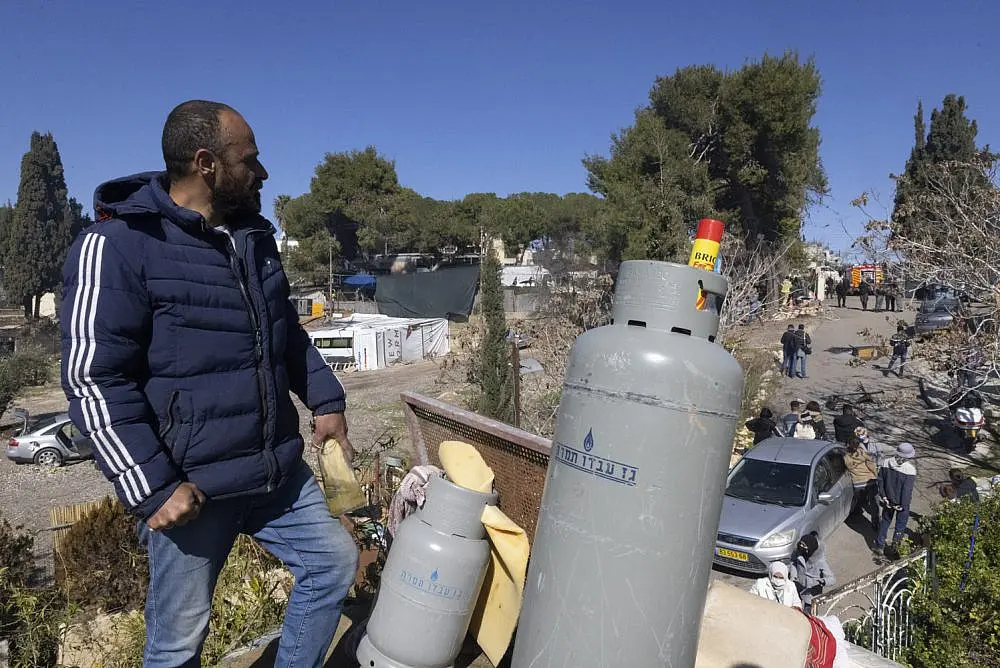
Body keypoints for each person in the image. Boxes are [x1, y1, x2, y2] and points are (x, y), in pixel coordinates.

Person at [59, 100, 360, 666]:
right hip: (191, 489)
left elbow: (284, 332)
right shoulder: (117, 246)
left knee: (332, 566)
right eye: (251, 160)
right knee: (177, 646)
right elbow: (92, 379)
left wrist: (325, 397)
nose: (263, 173)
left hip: (275, 473)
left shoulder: (254, 239)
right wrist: (149, 487)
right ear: (206, 164)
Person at [874, 443, 917, 557]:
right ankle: (894, 548)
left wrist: (884, 497)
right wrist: (902, 505)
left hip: (887, 499)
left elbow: (880, 481)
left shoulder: (885, 462)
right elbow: (907, 491)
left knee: (885, 522)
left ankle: (879, 545)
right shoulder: (910, 469)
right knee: (900, 525)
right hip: (901, 504)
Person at [791, 533, 836, 615]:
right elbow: (793, 563)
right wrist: (794, 578)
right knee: (795, 610)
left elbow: (832, 579)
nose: (801, 546)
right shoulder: (799, 553)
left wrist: (822, 581)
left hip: (811, 594)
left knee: (809, 614)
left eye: (804, 546)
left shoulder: (820, 562)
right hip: (798, 587)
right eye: (800, 543)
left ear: (810, 549)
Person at [845, 437, 880, 532]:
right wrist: (876, 475)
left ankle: (855, 513)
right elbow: (871, 465)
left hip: (857, 483)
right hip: (870, 480)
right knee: (874, 502)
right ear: (858, 445)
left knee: (859, 499)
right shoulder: (863, 454)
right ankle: (875, 523)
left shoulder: (846, 457)